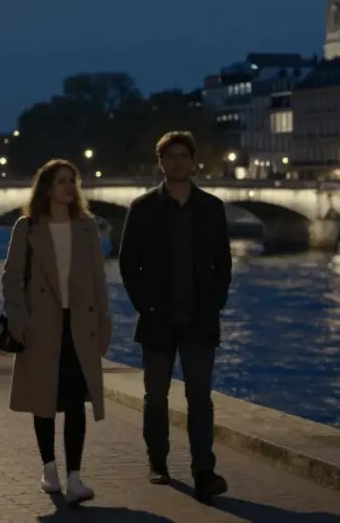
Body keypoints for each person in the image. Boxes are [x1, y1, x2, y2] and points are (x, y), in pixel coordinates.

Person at [118, 131, 233, 501]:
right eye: (172, 157)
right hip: (157, 319)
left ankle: (204, 470)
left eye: (184, 155)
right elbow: (127, 263)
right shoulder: (143, 207)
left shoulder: (212, 208)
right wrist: (144, 304)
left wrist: (214, 303)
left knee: (201, 398)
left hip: (199, 320)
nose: (178, 162)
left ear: (193, 161)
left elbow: (223, 264)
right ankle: (158, 461)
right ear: (161, 163)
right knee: (156, 397)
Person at [1, 159, 111, 505]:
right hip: (41, 324)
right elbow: (11, 277)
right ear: (47, 187)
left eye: (73, 181)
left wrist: (104, 322)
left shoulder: (87, 227)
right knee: (43, 398)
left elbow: (98, 279)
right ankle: (49, 469)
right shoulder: (28, 227)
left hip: (78, 324)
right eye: (63, 181)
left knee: (77, 400)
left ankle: (75, 476)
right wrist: (18, 319)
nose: (69, 187)